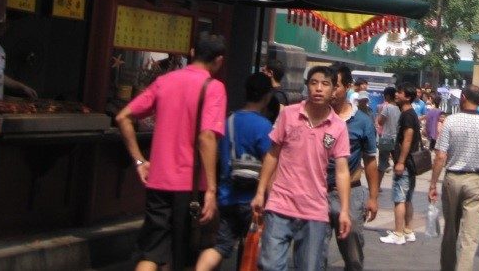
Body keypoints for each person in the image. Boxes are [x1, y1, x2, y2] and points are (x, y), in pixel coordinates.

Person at [116, 34, 228, 271]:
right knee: (187, 253)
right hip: (190, 186)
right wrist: (211, 188)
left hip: (158, 180)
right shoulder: (214, 88)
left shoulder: (165, 81)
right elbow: (206, 137)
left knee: (152, 250)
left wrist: (139, 161)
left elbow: (123, 117)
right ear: (219, 60)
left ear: (191, 51)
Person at [251, 65, 350, 271]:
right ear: (307, 87)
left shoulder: (338, 127)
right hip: (280, 203)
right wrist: (260, 192)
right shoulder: (289, 114)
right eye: (314, 83)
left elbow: (342, 171)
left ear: (334, 91)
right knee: (269, 264)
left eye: (325, 84)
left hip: (314, 209)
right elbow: (272, 154)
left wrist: (344, 210)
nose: (319, 89)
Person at [196, 72, 273, 271]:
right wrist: (270, 196)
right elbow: (269, 164)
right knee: (254, 248)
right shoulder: (264, 126)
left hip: (227, 195)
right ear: (267, 96)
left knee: (220, 246)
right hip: (253, 200)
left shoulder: (229, 120)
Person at [428, 84, 479, 271]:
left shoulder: (451, 121)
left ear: (462, 98)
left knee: (450, 231)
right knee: (470, 235)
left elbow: (441, 156)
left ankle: (447, 267)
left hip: (453, 178)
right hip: (476, 180)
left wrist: (433, 184)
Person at [321, 65, 379, 271]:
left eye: (335, 85)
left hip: (350, 193)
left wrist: (373, 197)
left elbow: (370, 160)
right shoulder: (314, 117)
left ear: (347, 87)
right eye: (326, 85)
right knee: (313, 253)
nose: (330, 91)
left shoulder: (362, 122)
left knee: (353, 255)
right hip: (316, 192)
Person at [380, 83, 422, 245]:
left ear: (408, 96)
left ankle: (398, 234)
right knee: (408, 198)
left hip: (405, 163)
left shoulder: (407, 115)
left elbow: (408, 138)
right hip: (411, 164)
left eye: (400, 92)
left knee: (399, 199)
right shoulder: (409, 114)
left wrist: (400, 162)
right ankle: (408, 230)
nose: (396, 94)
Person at [376, 86, 401, 188]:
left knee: (382, 164)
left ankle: (377, 186)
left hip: (386, 138)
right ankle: (398, 185)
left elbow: (380, 122)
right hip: (397, 139)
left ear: (387, 96)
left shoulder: (387, 107)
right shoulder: (399, 108)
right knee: (398, 163)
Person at [262, 59, 289, 124]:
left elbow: (278, 122)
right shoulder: (271, 92)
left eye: (263, 71)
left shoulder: (278, 96)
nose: (261, 74)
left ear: (270, 73)